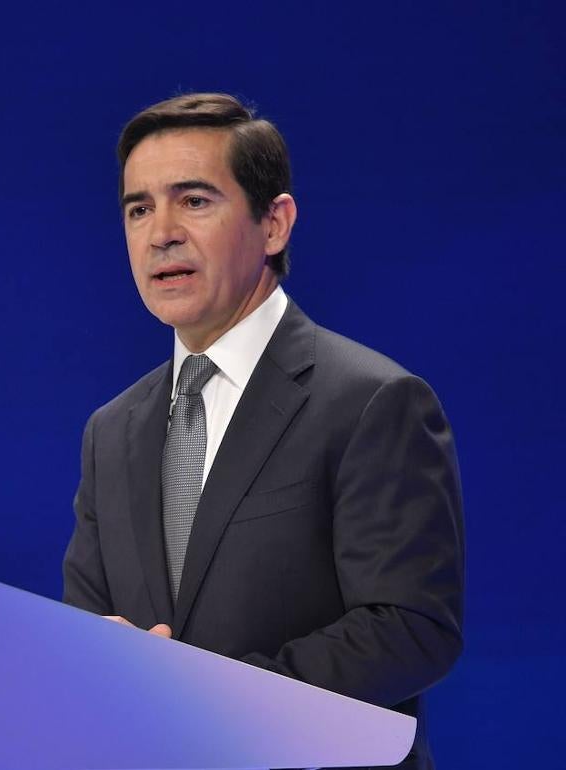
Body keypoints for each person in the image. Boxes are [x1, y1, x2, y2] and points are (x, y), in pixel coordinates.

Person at [62, 93, 464, 770]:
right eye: (138, 209)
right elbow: (86, 635)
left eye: (194, 201)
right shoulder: (112, 431)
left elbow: (411, 627)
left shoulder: (372, 401)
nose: (161, 233)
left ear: (274, 224)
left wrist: (211, 699)